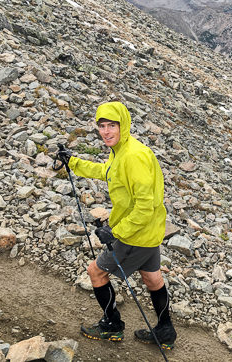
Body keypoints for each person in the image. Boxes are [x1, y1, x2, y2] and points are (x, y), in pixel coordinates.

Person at [57, 101, 176, 348]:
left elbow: (145, 206)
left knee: (96, 272)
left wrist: (115, 232)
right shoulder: (122, 151)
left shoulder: (133, 157)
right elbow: (107, 172)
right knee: (152, 278)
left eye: (112, 125)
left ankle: (112, 326)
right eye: (102, 126)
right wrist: (74, 163)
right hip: (149, 231)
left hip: (135, 234)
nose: (106, 131)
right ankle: (165, 330)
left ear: (124, 125)